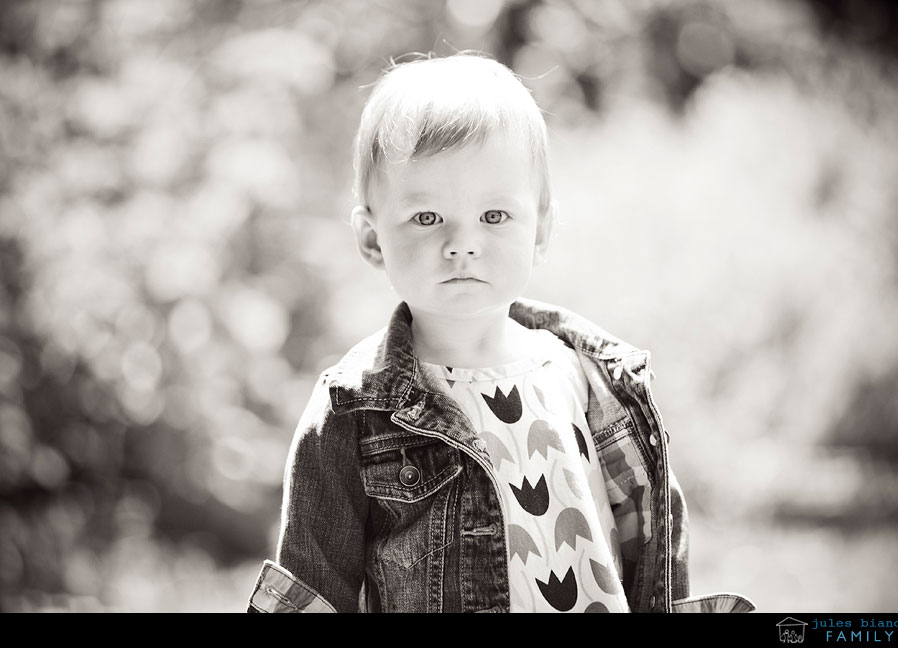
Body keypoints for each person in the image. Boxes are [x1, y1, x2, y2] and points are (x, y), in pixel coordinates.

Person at [246, 52, 754, 613]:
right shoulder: (353, 411)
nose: (462, 243)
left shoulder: (592, 381)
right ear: (371, 240)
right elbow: (313, 590)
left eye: (494, 216)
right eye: (426, 217)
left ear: (541, 229)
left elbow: (654, 556)